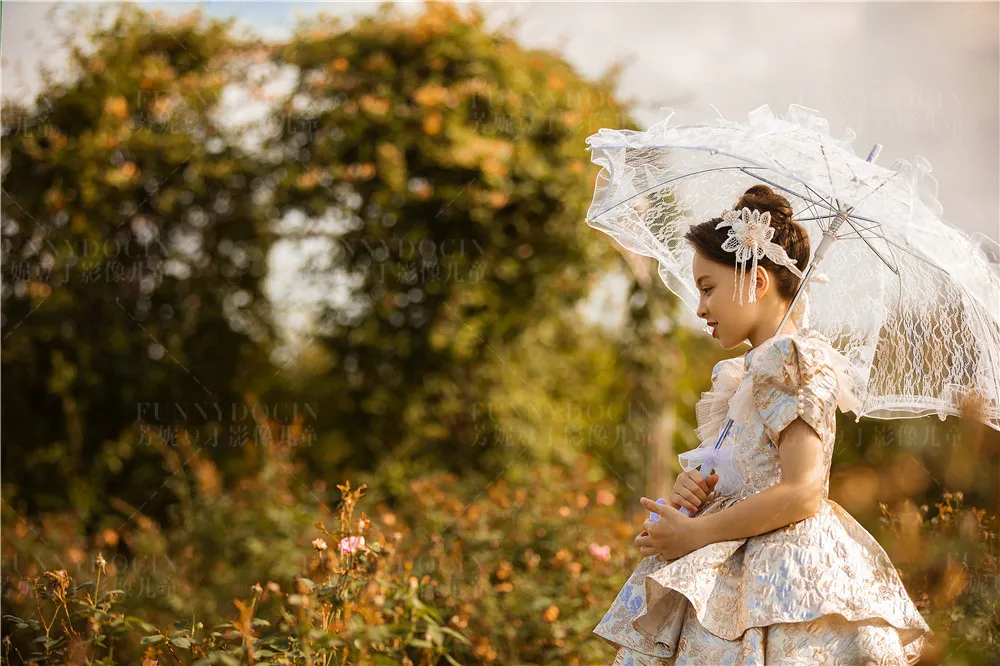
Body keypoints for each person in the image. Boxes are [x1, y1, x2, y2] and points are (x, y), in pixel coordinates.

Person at [592, 185, 933, 665]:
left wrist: (696, 536)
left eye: (708, 287)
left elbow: (803, 490)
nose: (700, 308)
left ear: (755, 280)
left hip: (783, 570)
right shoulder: (748, 373)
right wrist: (697, 492)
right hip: (741, 555)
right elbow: (750, 471)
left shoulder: (789, 357)